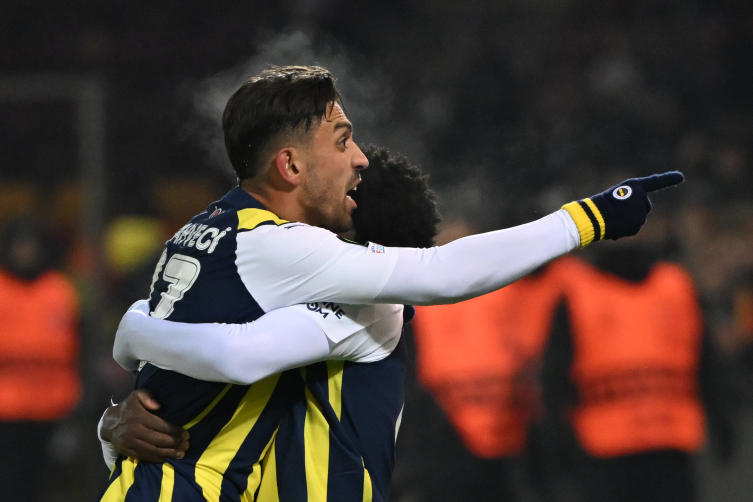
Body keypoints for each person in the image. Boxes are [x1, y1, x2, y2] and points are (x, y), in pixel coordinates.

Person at [98, 65, 682, 501]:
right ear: (291, 165)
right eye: (342, 140)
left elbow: (221, 360)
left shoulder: (205, 231)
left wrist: (133, 337)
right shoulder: (289, 255)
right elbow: (443, 272)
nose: (358, 159)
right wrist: (588, 218)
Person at [539, 245, 735, 502]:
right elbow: (554, 377)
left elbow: (706, 362)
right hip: (611, 451)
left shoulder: (676, 286)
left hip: (662, 446)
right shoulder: (576, 292)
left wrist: (722, 422)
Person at [0, 216, 81, 502]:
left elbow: (80, 347)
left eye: (31, 245)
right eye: (20, 245)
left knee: (44, 485)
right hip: (6, 410)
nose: (26, 252)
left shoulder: (60, 290)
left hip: (53, 408)